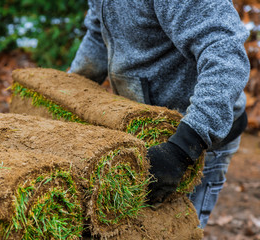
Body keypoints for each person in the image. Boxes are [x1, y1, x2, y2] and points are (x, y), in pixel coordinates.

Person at [69, 0, 249, 229]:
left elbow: (226, 54)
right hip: (147, 128)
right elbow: (99, 33)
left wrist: (183, 148)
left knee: (173, 231)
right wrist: (70, 88)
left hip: (195, 137)